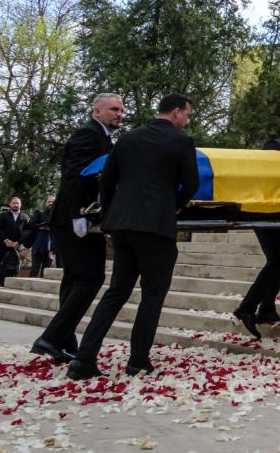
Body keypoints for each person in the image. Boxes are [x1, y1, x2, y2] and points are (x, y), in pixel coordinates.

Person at [66, 93, 199, 380]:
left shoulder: (128, 139)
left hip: (122, 225)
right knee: (152, 294)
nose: (187, 121)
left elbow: (108, 179)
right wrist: (173, 206)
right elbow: (191, 183)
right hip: (156, 227)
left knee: (116, 292)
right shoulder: (181, 141)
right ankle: (138, 360)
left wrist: (113, 213)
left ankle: (83, 360)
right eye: (187, 115)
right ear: (176, 113)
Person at [31, 93, 123, 364]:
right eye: (113, 109)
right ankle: (52, 337)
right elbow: (74, 175)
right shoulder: (89, 134)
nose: (119, 114)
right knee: (91, 277)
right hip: (74, 217)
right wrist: (76, 214)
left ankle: (63, 342)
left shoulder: (102, 137)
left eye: (121, 110)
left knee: (73, 279)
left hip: (79, 216)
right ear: (96, 112)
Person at [233, 116, 280, 339]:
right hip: (264, 213)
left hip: (279, 214)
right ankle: (246, 309)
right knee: (278, 260)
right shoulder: (272, 148)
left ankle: (266, 308)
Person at [0, 197, 30, 287]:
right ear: (10, 204)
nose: (16, 205)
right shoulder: (3, 215)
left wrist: (18, 242)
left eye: (17, 203)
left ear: (20, 204)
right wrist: (5, 240)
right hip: (2, 245)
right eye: (14, 203)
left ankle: (9, 285)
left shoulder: (25, 217)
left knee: (13, 267)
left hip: (15, 247)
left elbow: (27, 232)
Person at [28, 195, 56, 278]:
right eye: (49, 202)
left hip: (51, 247)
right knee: (34, 269)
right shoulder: (39, 214)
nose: (50, 203)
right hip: (38, 246)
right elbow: (30, 225)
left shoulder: (58, 215)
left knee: (46, 271)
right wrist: (41, 226)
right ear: (45, 203)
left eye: (53, 202)